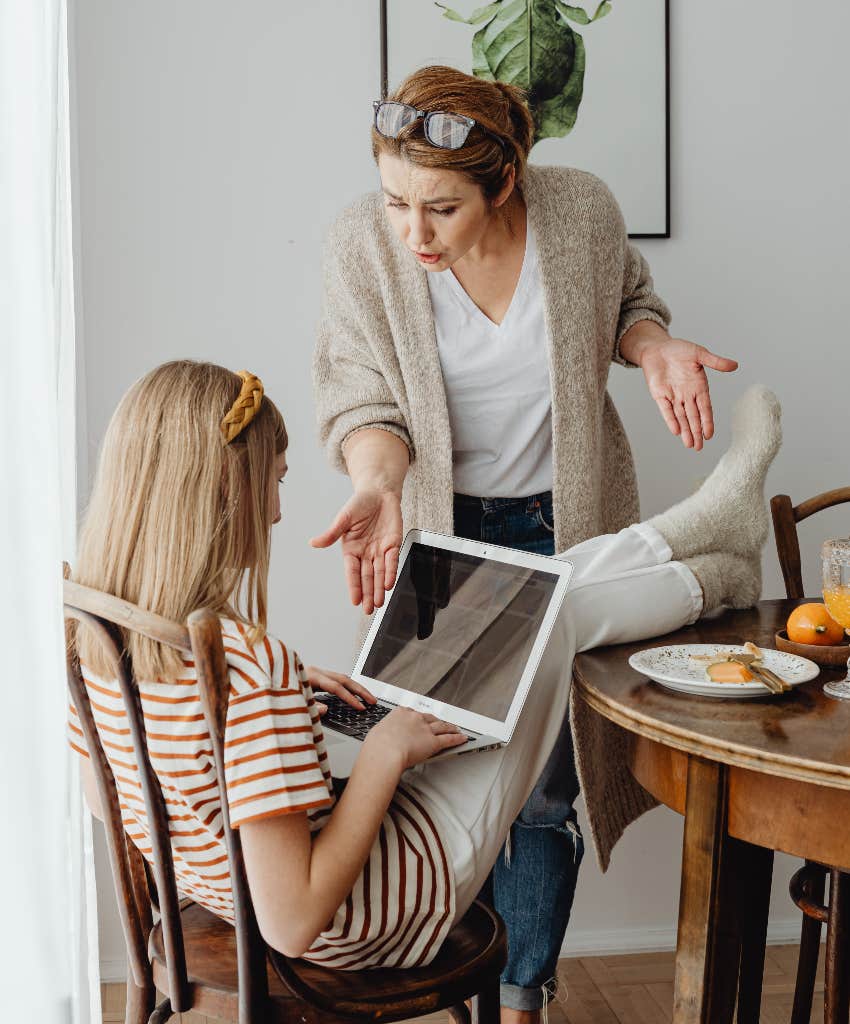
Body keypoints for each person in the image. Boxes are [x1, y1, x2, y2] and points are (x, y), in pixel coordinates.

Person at [69, 362, 779, 1013]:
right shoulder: (251, 670)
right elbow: (294, 924)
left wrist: (271, 716)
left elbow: (115, 803)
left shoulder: (102, 636)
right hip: (375, 914)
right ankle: (715, 565)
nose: (279, 511)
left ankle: (709, 539)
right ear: (226, 493)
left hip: (254, 889)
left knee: (521, 596)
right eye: (275, 481)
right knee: (546, 618)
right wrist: (382, 752)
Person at [312, 66, 740, 1014]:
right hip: (440, 533)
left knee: (545, 792)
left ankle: (522, 1001)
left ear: (504, 182)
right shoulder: (362, 245)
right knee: (438, 772)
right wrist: (378, 482)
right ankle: (451, 983)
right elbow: (362, 396)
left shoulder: (580, 212)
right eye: (395, 201)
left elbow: (627, 306)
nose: (414, 232)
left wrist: (653, 347)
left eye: (442, 208)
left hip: (565, 528)